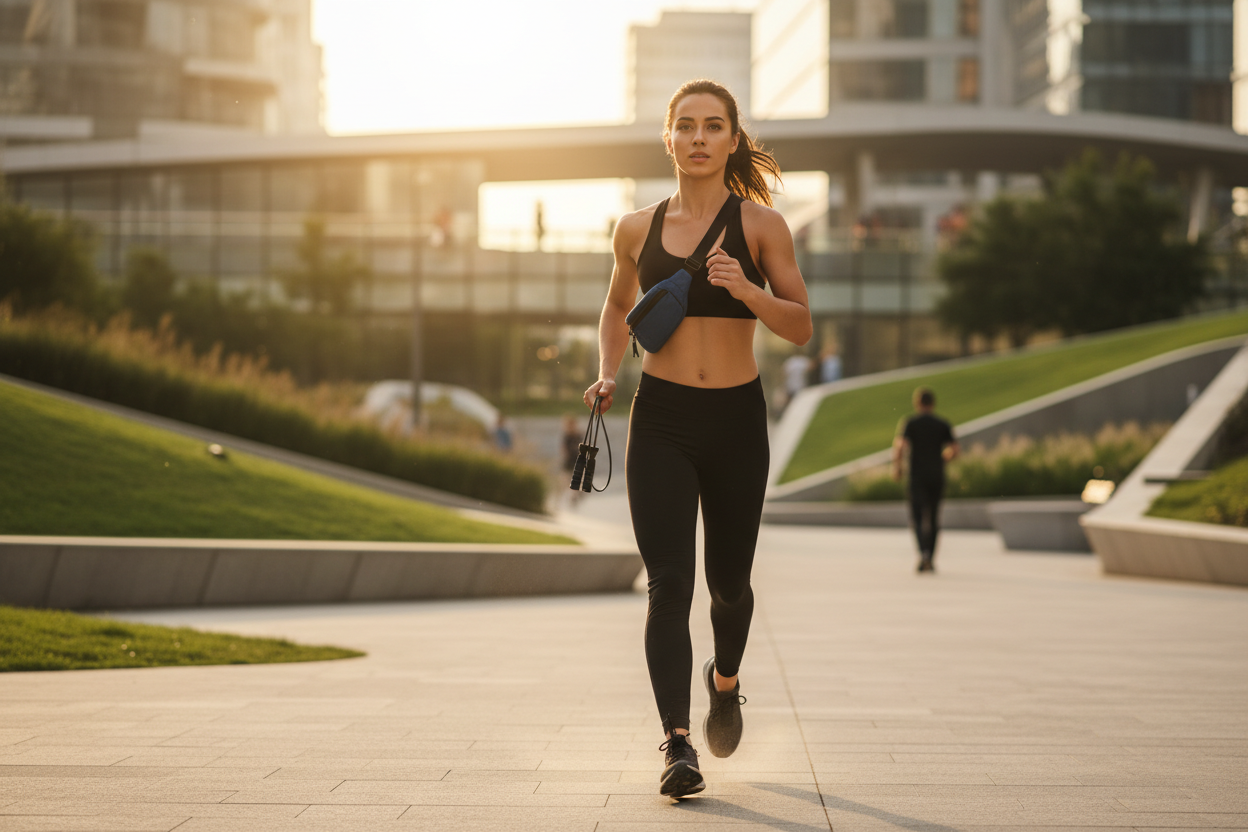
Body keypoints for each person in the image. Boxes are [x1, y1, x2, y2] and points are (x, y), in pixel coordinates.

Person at [583, 79, 812, 799]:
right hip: (663, 420)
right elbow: (619, 305)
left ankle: (725, 680)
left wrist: (747, 291)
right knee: (668, 585)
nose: (700, 138)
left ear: (733, 140)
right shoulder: (634, 227)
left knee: (729, 585)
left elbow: (801, 325)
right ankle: (679, 743)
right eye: (687, 126)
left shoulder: (763, 227)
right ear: (669, 138)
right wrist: (606, 372)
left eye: (715, 126)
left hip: (737, 420)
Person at [892, 387, 959, 573]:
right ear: (933, 404)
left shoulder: (910, 423)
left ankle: (924, 554)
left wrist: (897, 467)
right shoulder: (942, 423)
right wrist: (942, 459)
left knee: (918, 517)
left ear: (917, 403)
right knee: (935, 516)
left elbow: (900, 446)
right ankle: (931, 556)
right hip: (936, 475)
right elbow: (955, 449)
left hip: (917, 476)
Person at [559, 413, 583, 507]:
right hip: (569, 461)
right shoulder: (567, 436)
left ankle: (574, 496)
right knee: (566, 480)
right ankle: (569, 497)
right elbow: (564, 449)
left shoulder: (578, 435)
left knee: (575, 480)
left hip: (577, 461)